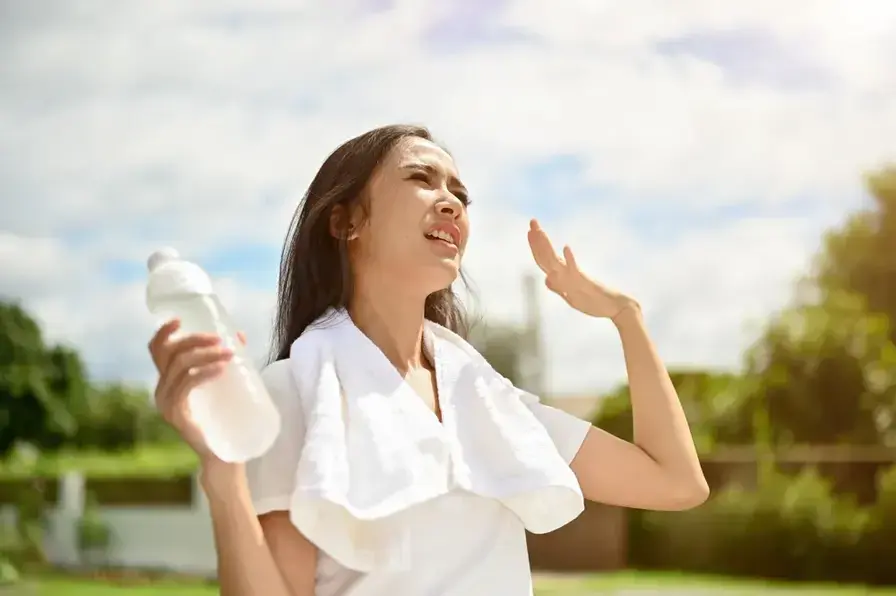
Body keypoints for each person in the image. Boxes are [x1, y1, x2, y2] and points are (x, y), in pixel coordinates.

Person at [148, 124, 709, 596]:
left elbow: (676, 483)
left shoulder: (489, 404)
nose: (451, 202)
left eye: (460, 195)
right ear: (347, 222)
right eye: (420, 178)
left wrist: (626, 317)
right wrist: (224, 478)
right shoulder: (297, 390)